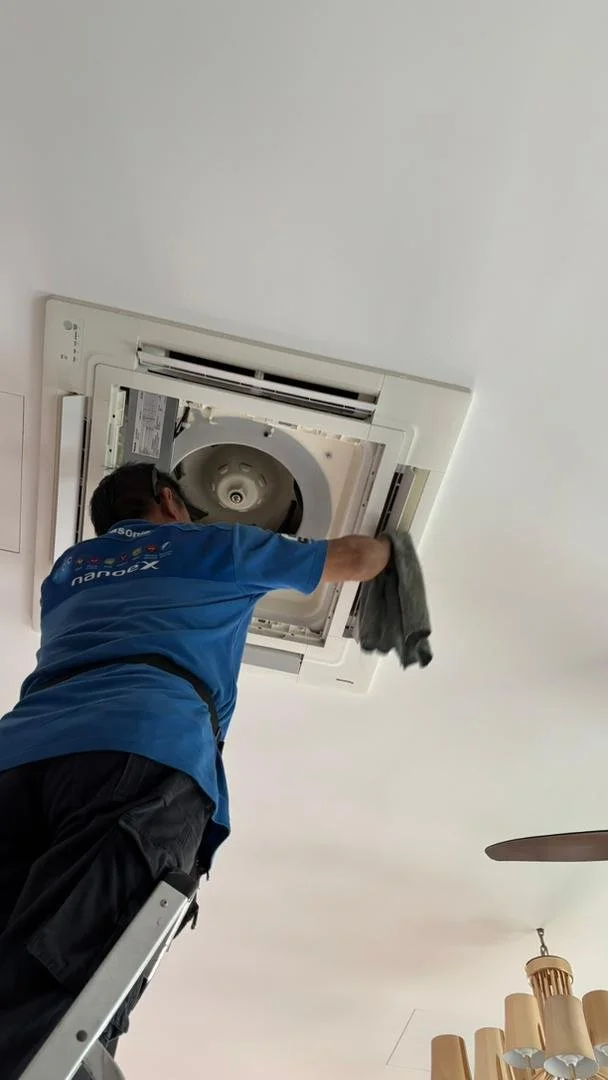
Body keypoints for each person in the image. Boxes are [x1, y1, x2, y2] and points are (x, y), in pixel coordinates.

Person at [0, 462, 391, 1078]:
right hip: (140, 743)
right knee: (67, 968)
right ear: (168, 499)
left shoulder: (68, 572)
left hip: (18, 756)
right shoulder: (214, 547)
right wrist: (397, 547)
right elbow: (357, 559)